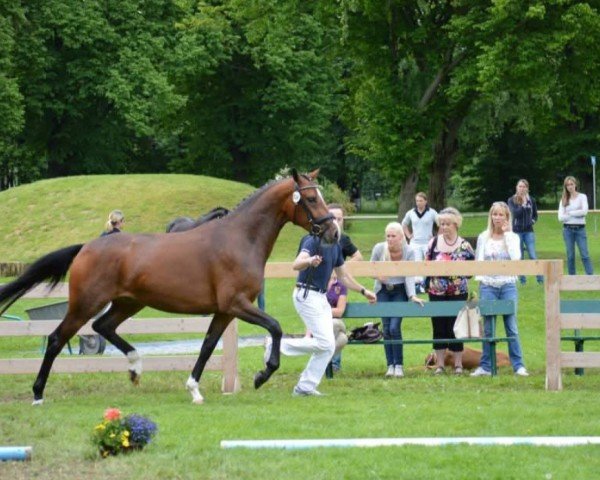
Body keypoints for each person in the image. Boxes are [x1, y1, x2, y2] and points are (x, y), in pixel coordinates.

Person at [267, 234, 376, 396]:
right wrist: (309, 261)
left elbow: (343, 276)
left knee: (328, 345)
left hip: (321, 297)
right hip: (306, 294)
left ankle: (305, 387)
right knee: (325, 344)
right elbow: (296, 264)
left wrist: (363, 290)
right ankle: (276, 346)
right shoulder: (313, 241)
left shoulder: (337, 247)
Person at [471, 202, 529, 377]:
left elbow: (516, 257)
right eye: (494, 214)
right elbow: (479, 260)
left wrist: (507, 234)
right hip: (488, 285)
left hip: (507, 285)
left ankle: (518, 365)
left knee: (511, 325)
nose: (497, 218)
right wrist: (481, 280)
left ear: (507, 217)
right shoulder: (483, 237)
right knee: (488, 327)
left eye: (501, 215)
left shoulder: (512, 237)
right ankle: (486, 366)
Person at [425, 207, 475, 375]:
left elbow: (471, 272)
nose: (444, 227)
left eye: (447, 224)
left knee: (456, 327)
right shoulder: (433, 243)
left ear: (456, 225)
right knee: (439, 326)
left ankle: (458, 364)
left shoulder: (465, 245)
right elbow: (426, 264)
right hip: (436, 292)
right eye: (442, 224)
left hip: (458, 293)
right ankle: (440, 364)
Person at [371, 222, 424, 378]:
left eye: (393, 236)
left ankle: (399, 365)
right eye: (388, 236)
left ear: (401, 237)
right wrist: (379, 277)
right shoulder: (379, 249)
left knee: (395, 327)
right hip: (383, 291)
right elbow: (370, 269)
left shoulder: (409, 251)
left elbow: (409, 275)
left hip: (400, 290)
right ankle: (390, 366)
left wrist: (412, 295)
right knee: (386, 329)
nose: (390, 239)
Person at [507, 179, 543, 285]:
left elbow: (535, 215)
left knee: (532, 255)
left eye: (524, 187)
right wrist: (522, 203)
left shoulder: (531, 200)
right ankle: (522, 280)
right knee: (520, 256)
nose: (522, 189)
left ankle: (540, 278)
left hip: (528, 231)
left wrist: (531, 221)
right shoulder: (511, 200)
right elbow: (515, 214)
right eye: (520, 186)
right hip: (517, 231)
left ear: (527, 188)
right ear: (516, 188)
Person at [401, 192, 437, 292]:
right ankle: (418, 287)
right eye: (417, 201)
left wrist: (437, 237)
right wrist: (408, 235)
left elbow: (441, 223)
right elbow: (404, 224)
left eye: (421, 201)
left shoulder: (432, 212)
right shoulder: (411, 212)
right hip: (415, 243)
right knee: (416, 263)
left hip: (428, 243)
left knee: (429, 263)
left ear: (426, 201)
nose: (418, 203)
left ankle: (429, 284)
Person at [558, 176, 594, 275]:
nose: (570, 187)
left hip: (580, 230)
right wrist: (577, 212)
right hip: (567, 230)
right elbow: (560, 218)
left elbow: (584, 212)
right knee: (570, 256)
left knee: (585, 254)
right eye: (567, 185)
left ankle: (591, 277)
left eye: (571, 184)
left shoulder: (582, 197)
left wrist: (569, 213)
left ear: (575, 185)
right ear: (565, 187)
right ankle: (572, 277)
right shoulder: (563, 200)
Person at [325, 272, 349, 372]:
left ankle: (327, 363)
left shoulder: (341, 285)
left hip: (337, 322)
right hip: (321, 323)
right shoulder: (317, 284)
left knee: (333, 324)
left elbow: (339, 312)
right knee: (342, 338)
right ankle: (328, 364)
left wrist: (321, 311)